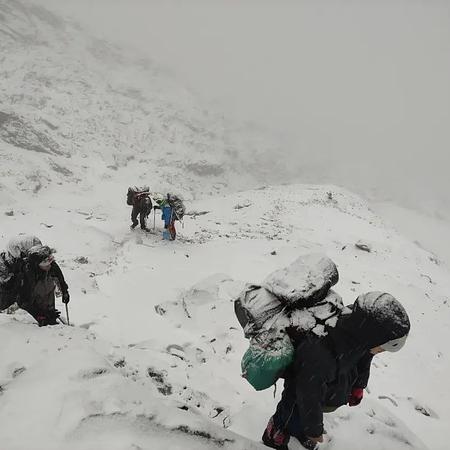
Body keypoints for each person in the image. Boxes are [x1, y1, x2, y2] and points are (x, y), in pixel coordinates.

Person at [262, 292, 411, 450]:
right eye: (381, 349)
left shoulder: (360, 335)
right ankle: (274, 433)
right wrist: (314, 430)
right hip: (302, 389)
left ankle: (300, 430)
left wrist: (358, 386)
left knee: (302, 417)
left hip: (323, 385)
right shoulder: (321, 353)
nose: (380, 352)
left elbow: (364, 358)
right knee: (292, 412)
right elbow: (308, 396)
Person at [0, 236, 70, 326]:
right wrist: (39, 314)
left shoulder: (39, 254)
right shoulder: (25, 270)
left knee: (46, 283)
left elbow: (55, 269)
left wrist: (64, 290)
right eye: (45, 264)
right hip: (7, 286)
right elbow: (23, 298)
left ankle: (48, 312)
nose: (49, 266)